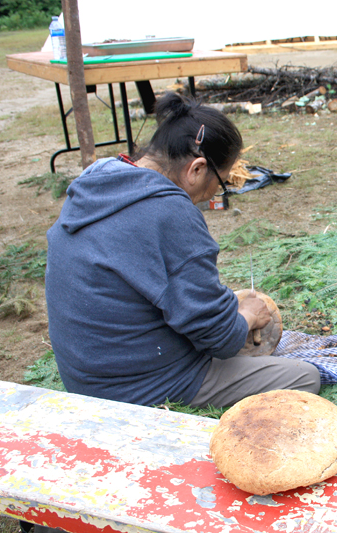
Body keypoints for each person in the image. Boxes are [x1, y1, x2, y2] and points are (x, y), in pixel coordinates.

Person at [45, 92, 321, 410]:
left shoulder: (99, 177)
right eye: (222, 181)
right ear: (196, 169)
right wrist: (246, 317)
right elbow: (221, 340)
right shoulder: (171, 212)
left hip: (83, 375)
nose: (216, 192)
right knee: (303, 376)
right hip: (134, 388)